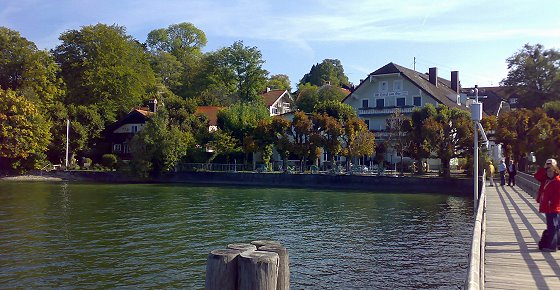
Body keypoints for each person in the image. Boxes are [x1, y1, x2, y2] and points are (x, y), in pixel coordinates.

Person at [535, 158, 560, 251]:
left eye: (551, 169)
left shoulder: (556, 180)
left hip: (553, 207)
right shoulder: (547, 177)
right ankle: (556, 244)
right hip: (549, 206)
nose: (549, 172)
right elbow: (537, 176)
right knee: (555, 225)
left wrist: (551, 203)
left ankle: (553, 245)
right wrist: (544, 167)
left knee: (553, 226)